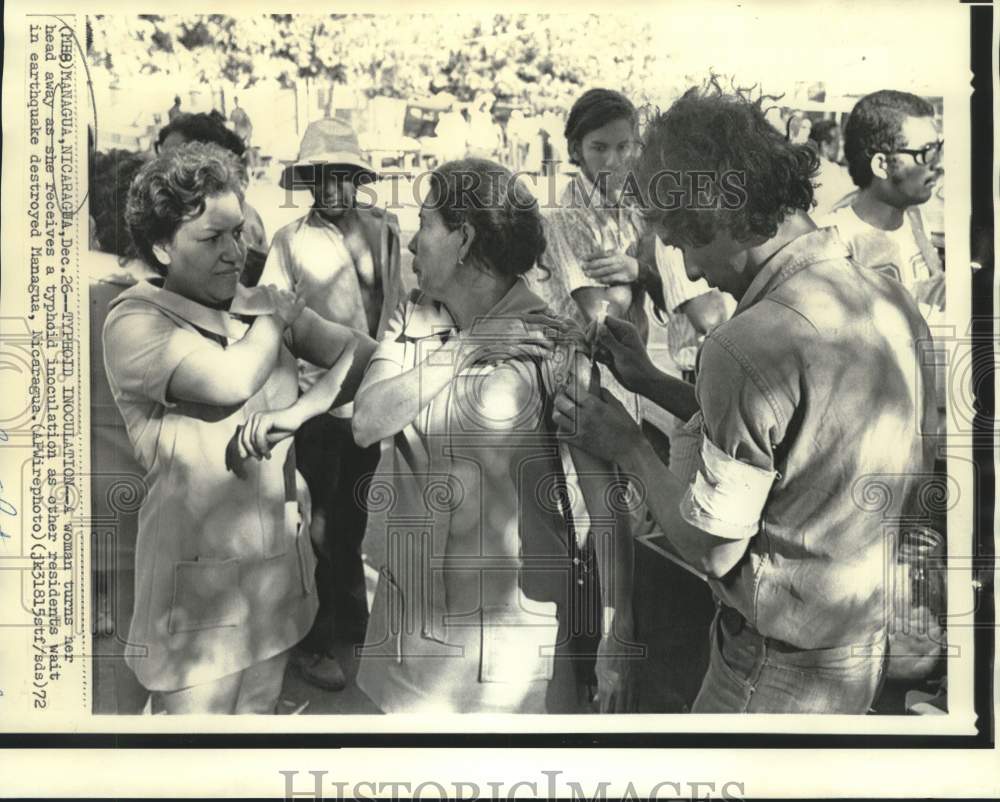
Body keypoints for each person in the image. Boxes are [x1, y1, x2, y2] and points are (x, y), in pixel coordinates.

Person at [554, 81, 938, 714]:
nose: (696, 272)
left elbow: (713, 544)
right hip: (856, 646)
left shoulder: (746, 342)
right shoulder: (888, 299)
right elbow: (798, 443)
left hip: (770, 671)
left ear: (724, 215)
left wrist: (629, 448)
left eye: (688, 244)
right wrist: (651, 384)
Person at [353, 159, 636, 713]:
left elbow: (606, 502)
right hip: (410, 626)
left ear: (464, 239)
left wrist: (617, 629)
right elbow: (368, 422)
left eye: (426, 224)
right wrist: (465, 351)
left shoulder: (553, 347)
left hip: (505, 644)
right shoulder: (412, 322)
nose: (411, 241)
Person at [103, 142, 375, 713]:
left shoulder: (253, 305)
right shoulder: (135, 320)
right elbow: (232, 379)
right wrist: (278, 317)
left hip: (273, 580)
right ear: (161, 247)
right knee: (196, 770)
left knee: (254, 748)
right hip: (194, 602)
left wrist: (301, 411)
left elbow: (366, 356)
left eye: (237, 233)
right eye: (211, 239)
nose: (234, 252)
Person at [260, 119, 404, 691]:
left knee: (352, 517)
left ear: (357, 179)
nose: (333, 187)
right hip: (318, 401)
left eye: (343, 176)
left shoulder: (386, 232)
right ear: (309, 181)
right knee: (320, 525)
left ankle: (347, 621)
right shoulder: (289, 241)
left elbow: (403, 303)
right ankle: (322, 637)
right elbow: (277, 318)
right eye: (322, 176)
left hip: (371, 395)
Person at [527, 88, 666, 422]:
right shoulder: (566, 215)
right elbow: (604, 315)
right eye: (599, 148)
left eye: (623, 147)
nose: (613, 161)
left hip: (628, 375)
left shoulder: (636, 208)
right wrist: (645, 275)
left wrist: (639, 272)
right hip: (579, 379)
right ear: (577, 149)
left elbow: (669, 298)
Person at [820, 90, 945, 319]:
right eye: (926, 152)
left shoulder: (914, 217)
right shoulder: (832, 241)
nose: (939, 164)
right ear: (881, 165)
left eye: (938, 149)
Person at [156, 112, 269, 258]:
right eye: (162, 159)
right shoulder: (171, 214)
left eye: (174, 159)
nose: (161, 169)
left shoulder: (236, 220)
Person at [808, 119, 854, 217]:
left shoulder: (805, 167)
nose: (841, 146)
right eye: (838, 141)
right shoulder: (835, 172)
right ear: (825, 146)